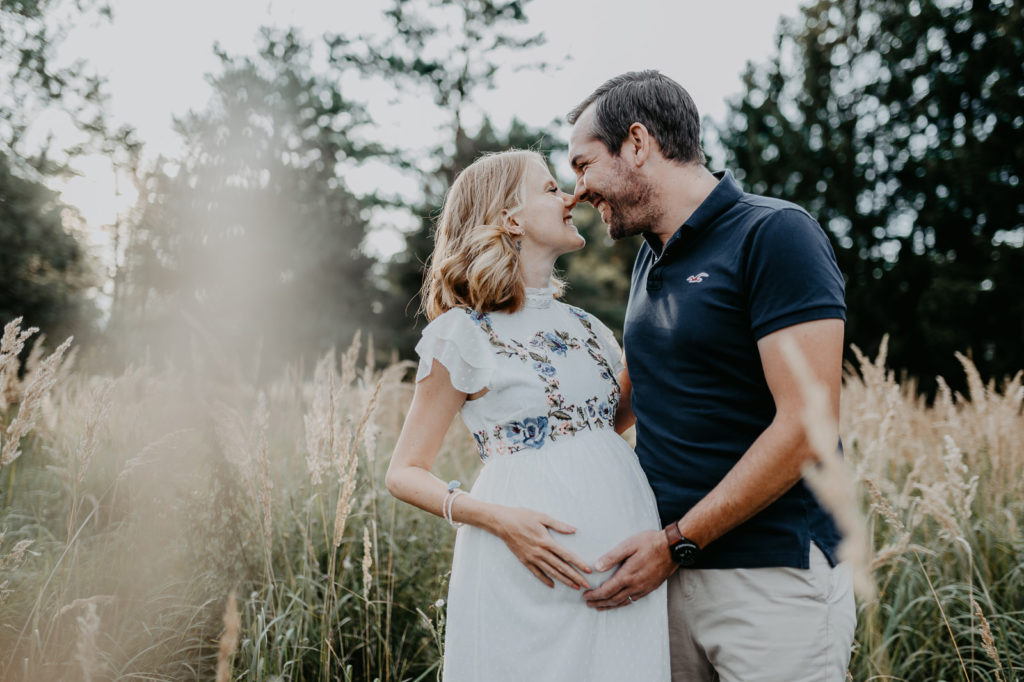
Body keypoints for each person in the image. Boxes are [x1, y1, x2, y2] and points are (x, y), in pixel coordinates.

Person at [566, 71, 856, 681]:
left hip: (770, 579)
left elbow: (807, 424)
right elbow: (633, 390)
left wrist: (677, 542)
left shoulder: (775, 233)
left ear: (637, 143)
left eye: (584, 164)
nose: (578, 189)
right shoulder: (650, 256)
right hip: (662, 579)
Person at [385, 149, 670, 681]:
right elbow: (404, 473)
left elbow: (600, 428)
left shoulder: (589, 327)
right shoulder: (460, 334)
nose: (572, 197)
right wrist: (498, 519)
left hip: (624, 568)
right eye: (550, 189)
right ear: (510, 220)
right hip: (524, 572)